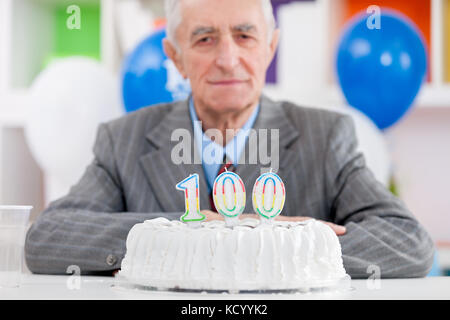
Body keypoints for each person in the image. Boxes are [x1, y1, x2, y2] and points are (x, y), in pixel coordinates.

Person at [25, 0, 434, 278]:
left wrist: (268, 239)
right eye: (205, 39)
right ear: (175, 57)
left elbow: (408, 244)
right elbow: (49, 239)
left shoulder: (326, 137)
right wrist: (197, 228)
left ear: (270, 47)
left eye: (244, 36)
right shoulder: (123, 140)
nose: (227, 58)